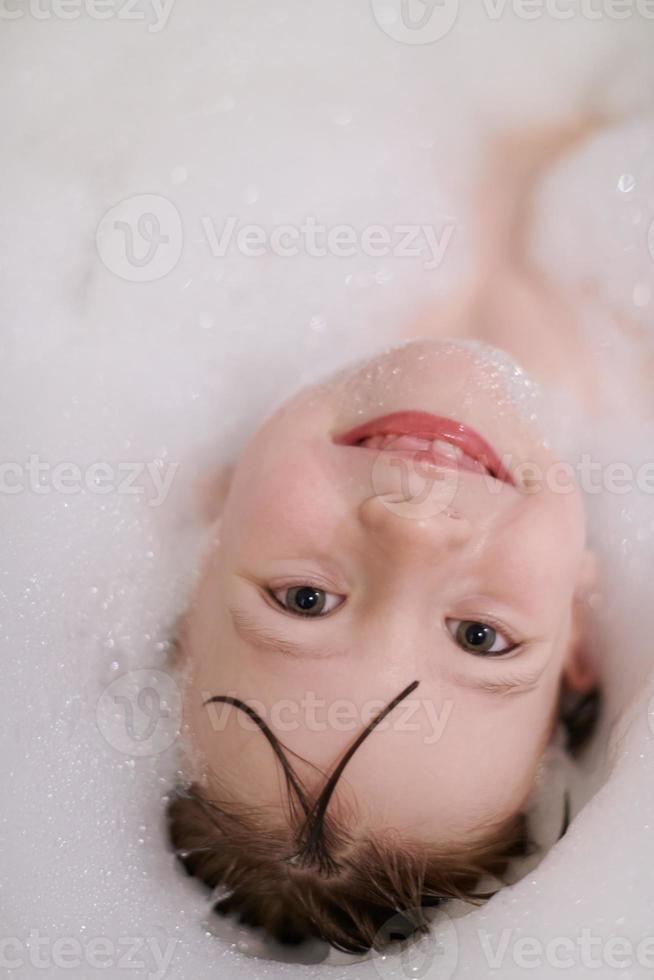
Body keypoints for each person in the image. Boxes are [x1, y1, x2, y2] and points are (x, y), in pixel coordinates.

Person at [167, 121, 605, 954]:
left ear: (207, 527)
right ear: (578, 625)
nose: (412, 531)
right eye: (480, 637)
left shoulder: (239, 233)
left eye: (303, 600)